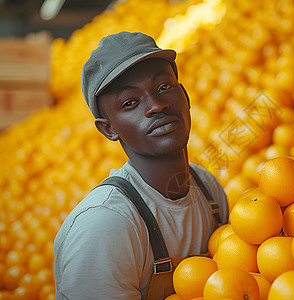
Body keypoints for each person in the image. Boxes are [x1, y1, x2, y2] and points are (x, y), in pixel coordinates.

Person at [54, 31, 229, 300]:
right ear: (108, 128)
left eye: (164, 87)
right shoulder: (106, 226)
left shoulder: (209, 191)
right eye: (130, 102)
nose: (156, 106)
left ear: (185, 96)